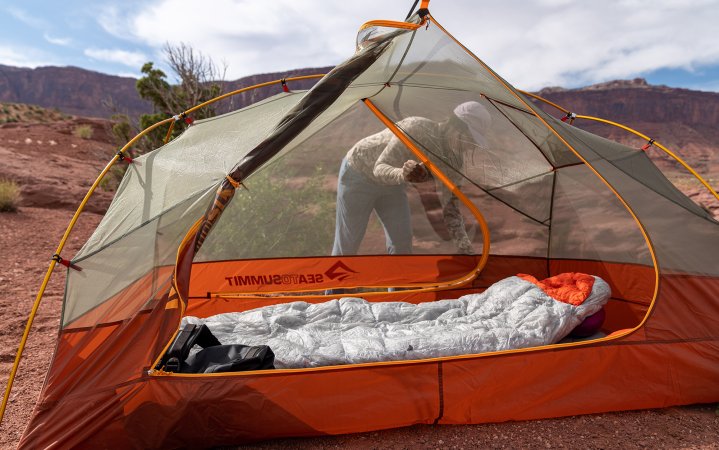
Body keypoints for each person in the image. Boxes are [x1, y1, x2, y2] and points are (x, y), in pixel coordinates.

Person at [331, 101, 492, 257]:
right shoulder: (416, 128)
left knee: (401, 242)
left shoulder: (454, 163)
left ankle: (401, 284)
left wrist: (466, 250)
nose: (471, 146)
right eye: (470, 139)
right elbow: (379, 168)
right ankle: (336, 284)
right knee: (348, 242)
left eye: (475, 142)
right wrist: (403, 174)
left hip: (393, 185)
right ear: (456, 126)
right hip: (359, 170)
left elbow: (451, 209)